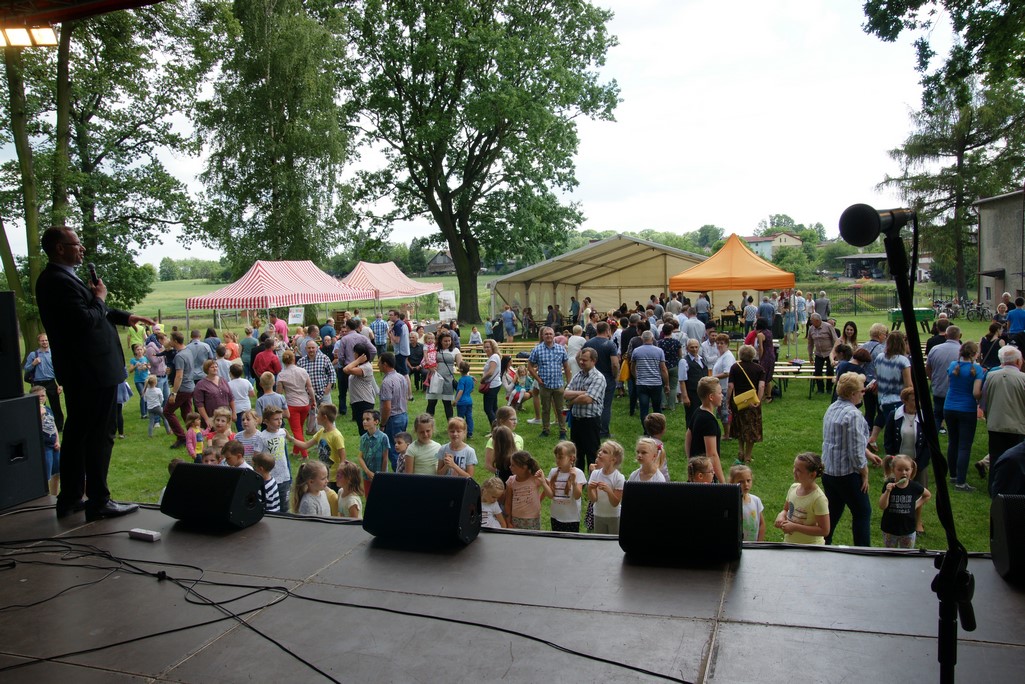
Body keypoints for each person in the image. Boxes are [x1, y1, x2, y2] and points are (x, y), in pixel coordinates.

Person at [36, 226, 154, 520]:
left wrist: (126, 316)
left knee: (78, 434)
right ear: (59, 248)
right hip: (91, 372)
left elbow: (93, 309)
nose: (82, 249)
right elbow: (85, 320)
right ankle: (99, 500)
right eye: (76, 244)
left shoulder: (64, 278)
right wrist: (100, 298)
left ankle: (71, 497)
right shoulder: (56, 281)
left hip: (86, 372)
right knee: (100, 435)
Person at [821, 372, 881, 547]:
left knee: (833, 512)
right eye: (862, 391)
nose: (864, 394)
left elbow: (844, 440)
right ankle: (862, 552)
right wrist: (864, 472)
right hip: (846, 474)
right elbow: (855, 452)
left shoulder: (833, 408)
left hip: (829, 471)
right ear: (852, 394)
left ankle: (823, 544)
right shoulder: (854, 415)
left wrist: (868, 454)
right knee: (862, 512)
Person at [977, 346, 1025, 484]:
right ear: (1018, 361)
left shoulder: (990, 376)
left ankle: (994, 486)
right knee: (1015, 460)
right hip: (1017, 426)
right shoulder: (1023, 378)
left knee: (995, 457)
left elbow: (983, 402)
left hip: (995, 425)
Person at [945, 341, 983, 491]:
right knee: (964, 446)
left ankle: (953, 475)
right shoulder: (977, 369)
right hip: (967, 409)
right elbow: (976, 393)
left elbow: (951, 382)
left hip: (949, 406)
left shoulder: (953, 365)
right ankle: (961, 482)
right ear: (974, 354)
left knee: (952, 442)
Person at [868, 330, 912, 447]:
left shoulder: (880, 357)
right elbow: (908, 384)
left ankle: (872, 440)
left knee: (883, 417)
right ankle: (895, 448)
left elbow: (877, 376)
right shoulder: (903, 360)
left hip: (882, 397)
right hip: (897, 399)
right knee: (897, 429)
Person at [563, 347, 605, 471]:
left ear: (593, 361)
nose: (581, 362)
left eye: (585, 360)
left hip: (590, 421)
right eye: (580, 359)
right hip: (576, 421)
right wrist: (583, 392)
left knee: (592, 455)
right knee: (576, 455)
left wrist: (572, 401)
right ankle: (578, 480)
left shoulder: (598, 378)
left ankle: (593, 479)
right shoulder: (578, 375)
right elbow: (565, 393)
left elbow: (588, 399)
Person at [775, 452, 830, 545]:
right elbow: (786, 509)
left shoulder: (818, 499)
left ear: (812, 475)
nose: (794, 471)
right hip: (790, 543)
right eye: (794, 467)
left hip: (810, 547)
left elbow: (824, 530)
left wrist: (795, 527)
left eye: (799, 470)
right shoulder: (793, 488)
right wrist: (781, 515)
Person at [879, 454, 931, 548]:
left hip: (908, 530)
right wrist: (887, 492)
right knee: (890, 553)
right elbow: (882, 506)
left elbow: (927, 495)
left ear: (911, 470)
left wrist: (915, 505)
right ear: (893, 470)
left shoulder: (914, 486)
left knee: (907, 553)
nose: (904, 473)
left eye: (907, 470)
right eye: (899, 470)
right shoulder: (889, 485)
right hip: (889, 529)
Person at [288, 403, 346, 488]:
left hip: (333, 479)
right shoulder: (321, 432)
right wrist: (290, 438)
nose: (316, 417)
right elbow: (305, 445)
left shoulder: (336, 436)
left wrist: (340, 476)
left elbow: (343, 458)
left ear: (324, 417)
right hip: (323, 477)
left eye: (318, 414)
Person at [528, 326, 571, 439]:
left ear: (554, 335)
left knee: (560, 409)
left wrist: (569, 383)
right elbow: (530, 367)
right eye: (546, 334)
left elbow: (567, 367)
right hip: (544, 385)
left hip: (558, 384)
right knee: (545, 409)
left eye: (550, 334)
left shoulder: (561, 349)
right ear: (542, 336)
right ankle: (545, 430)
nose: (548, 336)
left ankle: (563, 431)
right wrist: (538, 379)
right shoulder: (537, 349)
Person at [727, 345, 764, 465]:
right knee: (751, 428)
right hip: (752, 401)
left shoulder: (735, 367)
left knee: (739, 426)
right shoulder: (759, 368)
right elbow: (761, 386)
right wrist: (758, 400)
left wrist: (728, 401)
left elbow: (730, 386)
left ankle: (740, 450)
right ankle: (748, 456)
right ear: (753, 355)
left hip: (738, 401)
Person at [583, 321, 620, 438]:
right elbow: (615, 364)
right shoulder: (610, 344)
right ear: (607, 330)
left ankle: (591, 428)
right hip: (607, 377)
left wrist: (585, 370)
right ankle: (603, 431)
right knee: (605, 405)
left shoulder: (588, 343)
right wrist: (615, 376)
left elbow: (579, 357)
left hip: (591, 376)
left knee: (591, 403)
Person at [686, 376, 725, 483]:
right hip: (705, 474)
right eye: (719, 393)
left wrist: (690, 460)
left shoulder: (698, 411)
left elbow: (688, 435)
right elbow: (712, 453)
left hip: (696, 469)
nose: (722, 395)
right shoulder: (709, 420)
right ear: (711, 397)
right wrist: (723, 482)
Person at [926, 324, 962, 434]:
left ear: (946, 335)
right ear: (960, 336)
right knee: (957, 420)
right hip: (957, 391)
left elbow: (928, 368)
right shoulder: (963, 351)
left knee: (937, 415)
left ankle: (931, 439)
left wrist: (933, 379)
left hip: (939, 387)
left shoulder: (935, 349)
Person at [24, 333, 65, 431]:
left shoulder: (53, 354)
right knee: (39, 406)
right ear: (39, 342)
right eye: (42, 340)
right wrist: (33, 363)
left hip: (51, 383)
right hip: (38, 384)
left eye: (46, 340)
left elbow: (59, 370)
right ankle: (40, 426)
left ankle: (58, 427)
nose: (45, 342)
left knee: (56, 406)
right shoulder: (33, 354)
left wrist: (60, 385)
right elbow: (26, 368)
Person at [504, 451, 552, 530]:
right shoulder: (511, 481)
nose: (510, 467)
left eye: (513, 465)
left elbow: (548, 485)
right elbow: (508, 503)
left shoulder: (535, 479)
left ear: (524, 467)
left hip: (533, 519)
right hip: (516, 519)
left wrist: (539, 499)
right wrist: (508, 521)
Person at [378, 352, 409, 470]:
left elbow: (387, 407)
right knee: (402, 448)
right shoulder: (401, 377)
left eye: (379, 362)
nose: (378, 365)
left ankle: (398, 475)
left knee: (394, 450)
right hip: (403, 415)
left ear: (385, 364)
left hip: (393, 419)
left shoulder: (386, 382)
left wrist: (383, 424)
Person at [545, 441, 585, 532]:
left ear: (571, 458)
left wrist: (574, 482)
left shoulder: (578, 473)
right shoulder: (553, 472)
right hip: (555, 516)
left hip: (571, 518)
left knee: (570, 541)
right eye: (556, 457)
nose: (557, 460)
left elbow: (577, 496)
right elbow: (550, 495)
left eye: (560, 457)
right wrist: (543, 483)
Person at [587, 440, 625, 534]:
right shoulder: (595, 474)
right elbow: (594, 499)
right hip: (598, 514)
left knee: (613, 541)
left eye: (605, 452)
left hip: (614, 516)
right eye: (600, 450)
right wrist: (590, 488)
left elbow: (615, 503)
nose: (600, 453)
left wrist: (609, 491)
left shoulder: (619, 477)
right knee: (599, 540)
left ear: (613, 460)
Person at [343, 342, 378, 436]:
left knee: (365, 430)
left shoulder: (366, 367)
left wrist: (357, 361)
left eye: (355, 353)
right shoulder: (359, 366)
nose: (353, 355)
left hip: (364, 401)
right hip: (357, 401)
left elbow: (346, 369)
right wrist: (358, 362)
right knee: (361, 429)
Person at [258, 406, 291, 506]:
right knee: (271, 505)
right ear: (266, 421)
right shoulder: (262, 437)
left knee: (285, 506)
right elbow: (257, 456)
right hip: (270, 478)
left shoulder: (282, 432)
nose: (279, 421)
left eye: (281, 418)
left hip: (284, 476)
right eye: (276, 419)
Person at [426, 332, 460, 421]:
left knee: (447, 403)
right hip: (435, 379)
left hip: (447, 380)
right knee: (431, 402)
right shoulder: (434, 349)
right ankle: (427, 423)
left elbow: (461, 365)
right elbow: (426, 360)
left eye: (449, 341)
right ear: (440, 341)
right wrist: (430, 367)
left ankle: (450, 424)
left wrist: (467, 375)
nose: (447, 343)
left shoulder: (455, 350)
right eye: (445, 341)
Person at [193, 359, 235, 430]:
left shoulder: (223, 380)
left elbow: (231, 397)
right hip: (212, 418)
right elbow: (199, 404)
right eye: (212, 367)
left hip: (225, 416)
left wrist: (234, 412)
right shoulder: (201, 385)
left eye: (216, 366)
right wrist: (206, 419)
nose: (215, 368)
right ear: (207, 369)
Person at [358, 410, 390, 495]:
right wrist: (367, 472)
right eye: (363, 419)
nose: (364, 422)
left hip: (380, 476)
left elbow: (385, 458)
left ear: (376, 421)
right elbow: (360, 457)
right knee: (368, 496)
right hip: (367, 477)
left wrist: (382, 475)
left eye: (368, 419)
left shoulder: (383, 437)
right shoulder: (363, 438)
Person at [731, 464, 765, 541]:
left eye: (748, 480)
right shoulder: (732, 502)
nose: (746, 484)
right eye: (741, 482)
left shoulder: (756, 500)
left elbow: (762, 524)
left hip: (753, 545)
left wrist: (759, 543)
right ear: (732, 482)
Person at [807, 313, 838, 395]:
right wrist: (810, 355)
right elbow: (810, 343)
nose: (811, 322)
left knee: (830, 371)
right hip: (818, 353)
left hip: (829, 353)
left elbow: (836, 340)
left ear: (817, 321)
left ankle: (829, 388)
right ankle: (820, 389)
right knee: (817, 371)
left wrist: (836, 353)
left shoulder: (828, 327)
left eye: (812, 321)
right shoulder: (811, 329)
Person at [479, 339, 503, 427]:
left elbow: (491, 372)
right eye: (485, 347)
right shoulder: (494, 357)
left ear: (493, 347)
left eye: (488, 347)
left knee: (488, 409)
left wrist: (483, 379)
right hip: (495, 384)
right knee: (494, 407)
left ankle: (495, 428)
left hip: (492, 385)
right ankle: (499, 427)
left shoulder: (494, 357)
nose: (486, 349)